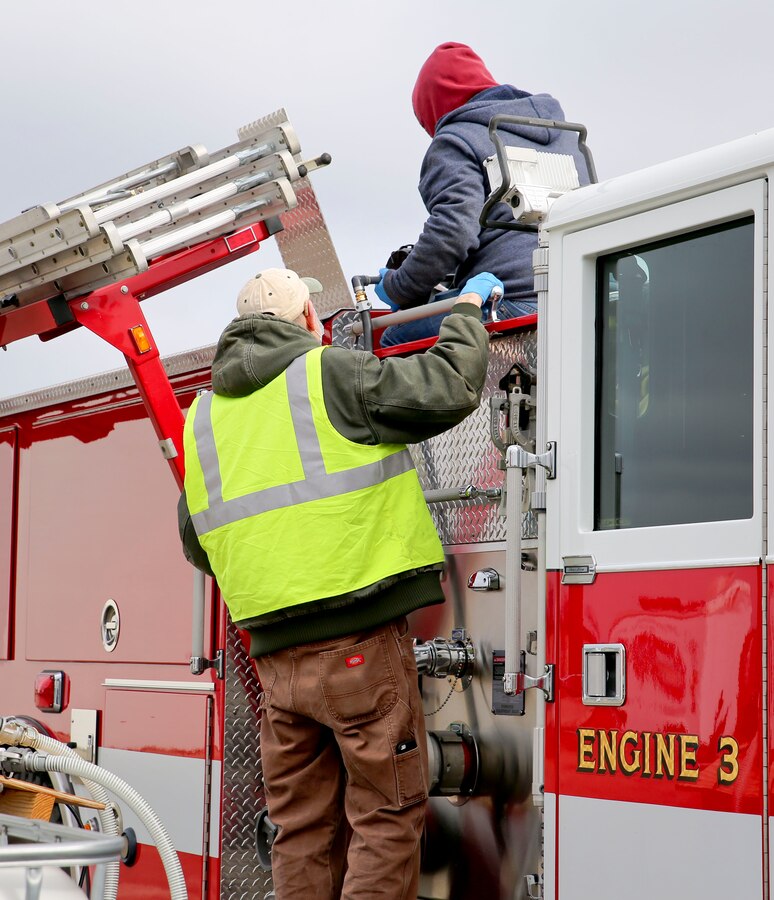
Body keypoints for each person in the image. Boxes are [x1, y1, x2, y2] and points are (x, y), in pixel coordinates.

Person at [177, 266, 502, 899]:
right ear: (308, 320)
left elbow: (199, 543)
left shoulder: (203, 419)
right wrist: (466, 310)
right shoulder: (327, 372)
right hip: (361, 646)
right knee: (385, 813)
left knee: (299, 829)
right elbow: (452, 386)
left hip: (276, 661)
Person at [376, 41, 592, 347]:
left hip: (508, 301)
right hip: (581, 296)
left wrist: (399, 286)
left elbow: (452, 231)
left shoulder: (455, 140)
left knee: (391, 338)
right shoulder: (566, 137)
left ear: (433, 109)